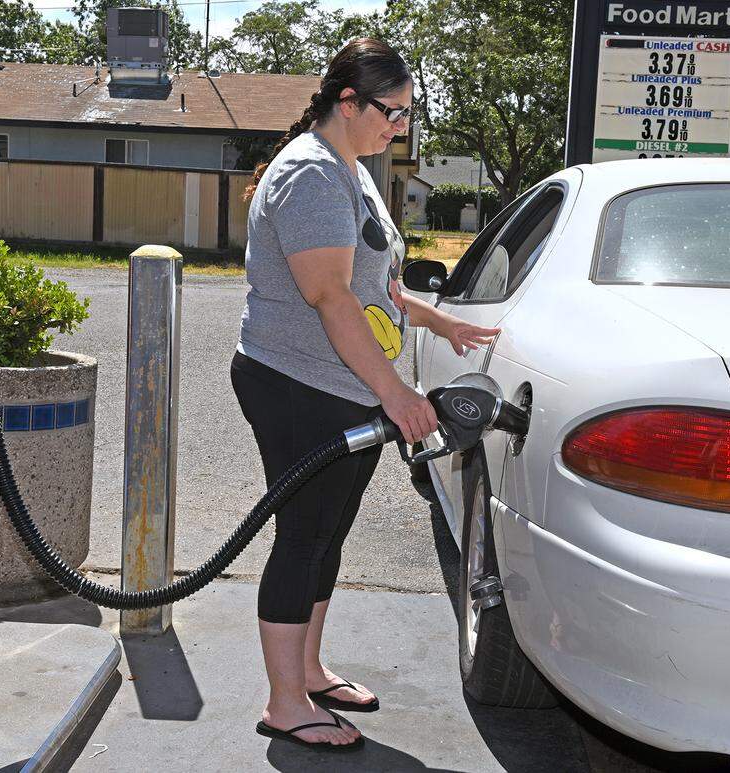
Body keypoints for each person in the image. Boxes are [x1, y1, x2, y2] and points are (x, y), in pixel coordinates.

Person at [232, 38, 500, 753]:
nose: (401, 126)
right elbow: (328, 296)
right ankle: (284, 702)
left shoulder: (354, 168)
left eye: (408, 113)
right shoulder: (311, 177)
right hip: (298, 384)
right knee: (302, 535)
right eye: (392, 111)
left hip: (343, 385)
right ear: (347, 102)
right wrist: (399, 394)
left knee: (329, 532)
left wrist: (433, 316)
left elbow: (370, 285)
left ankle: (310, 670)